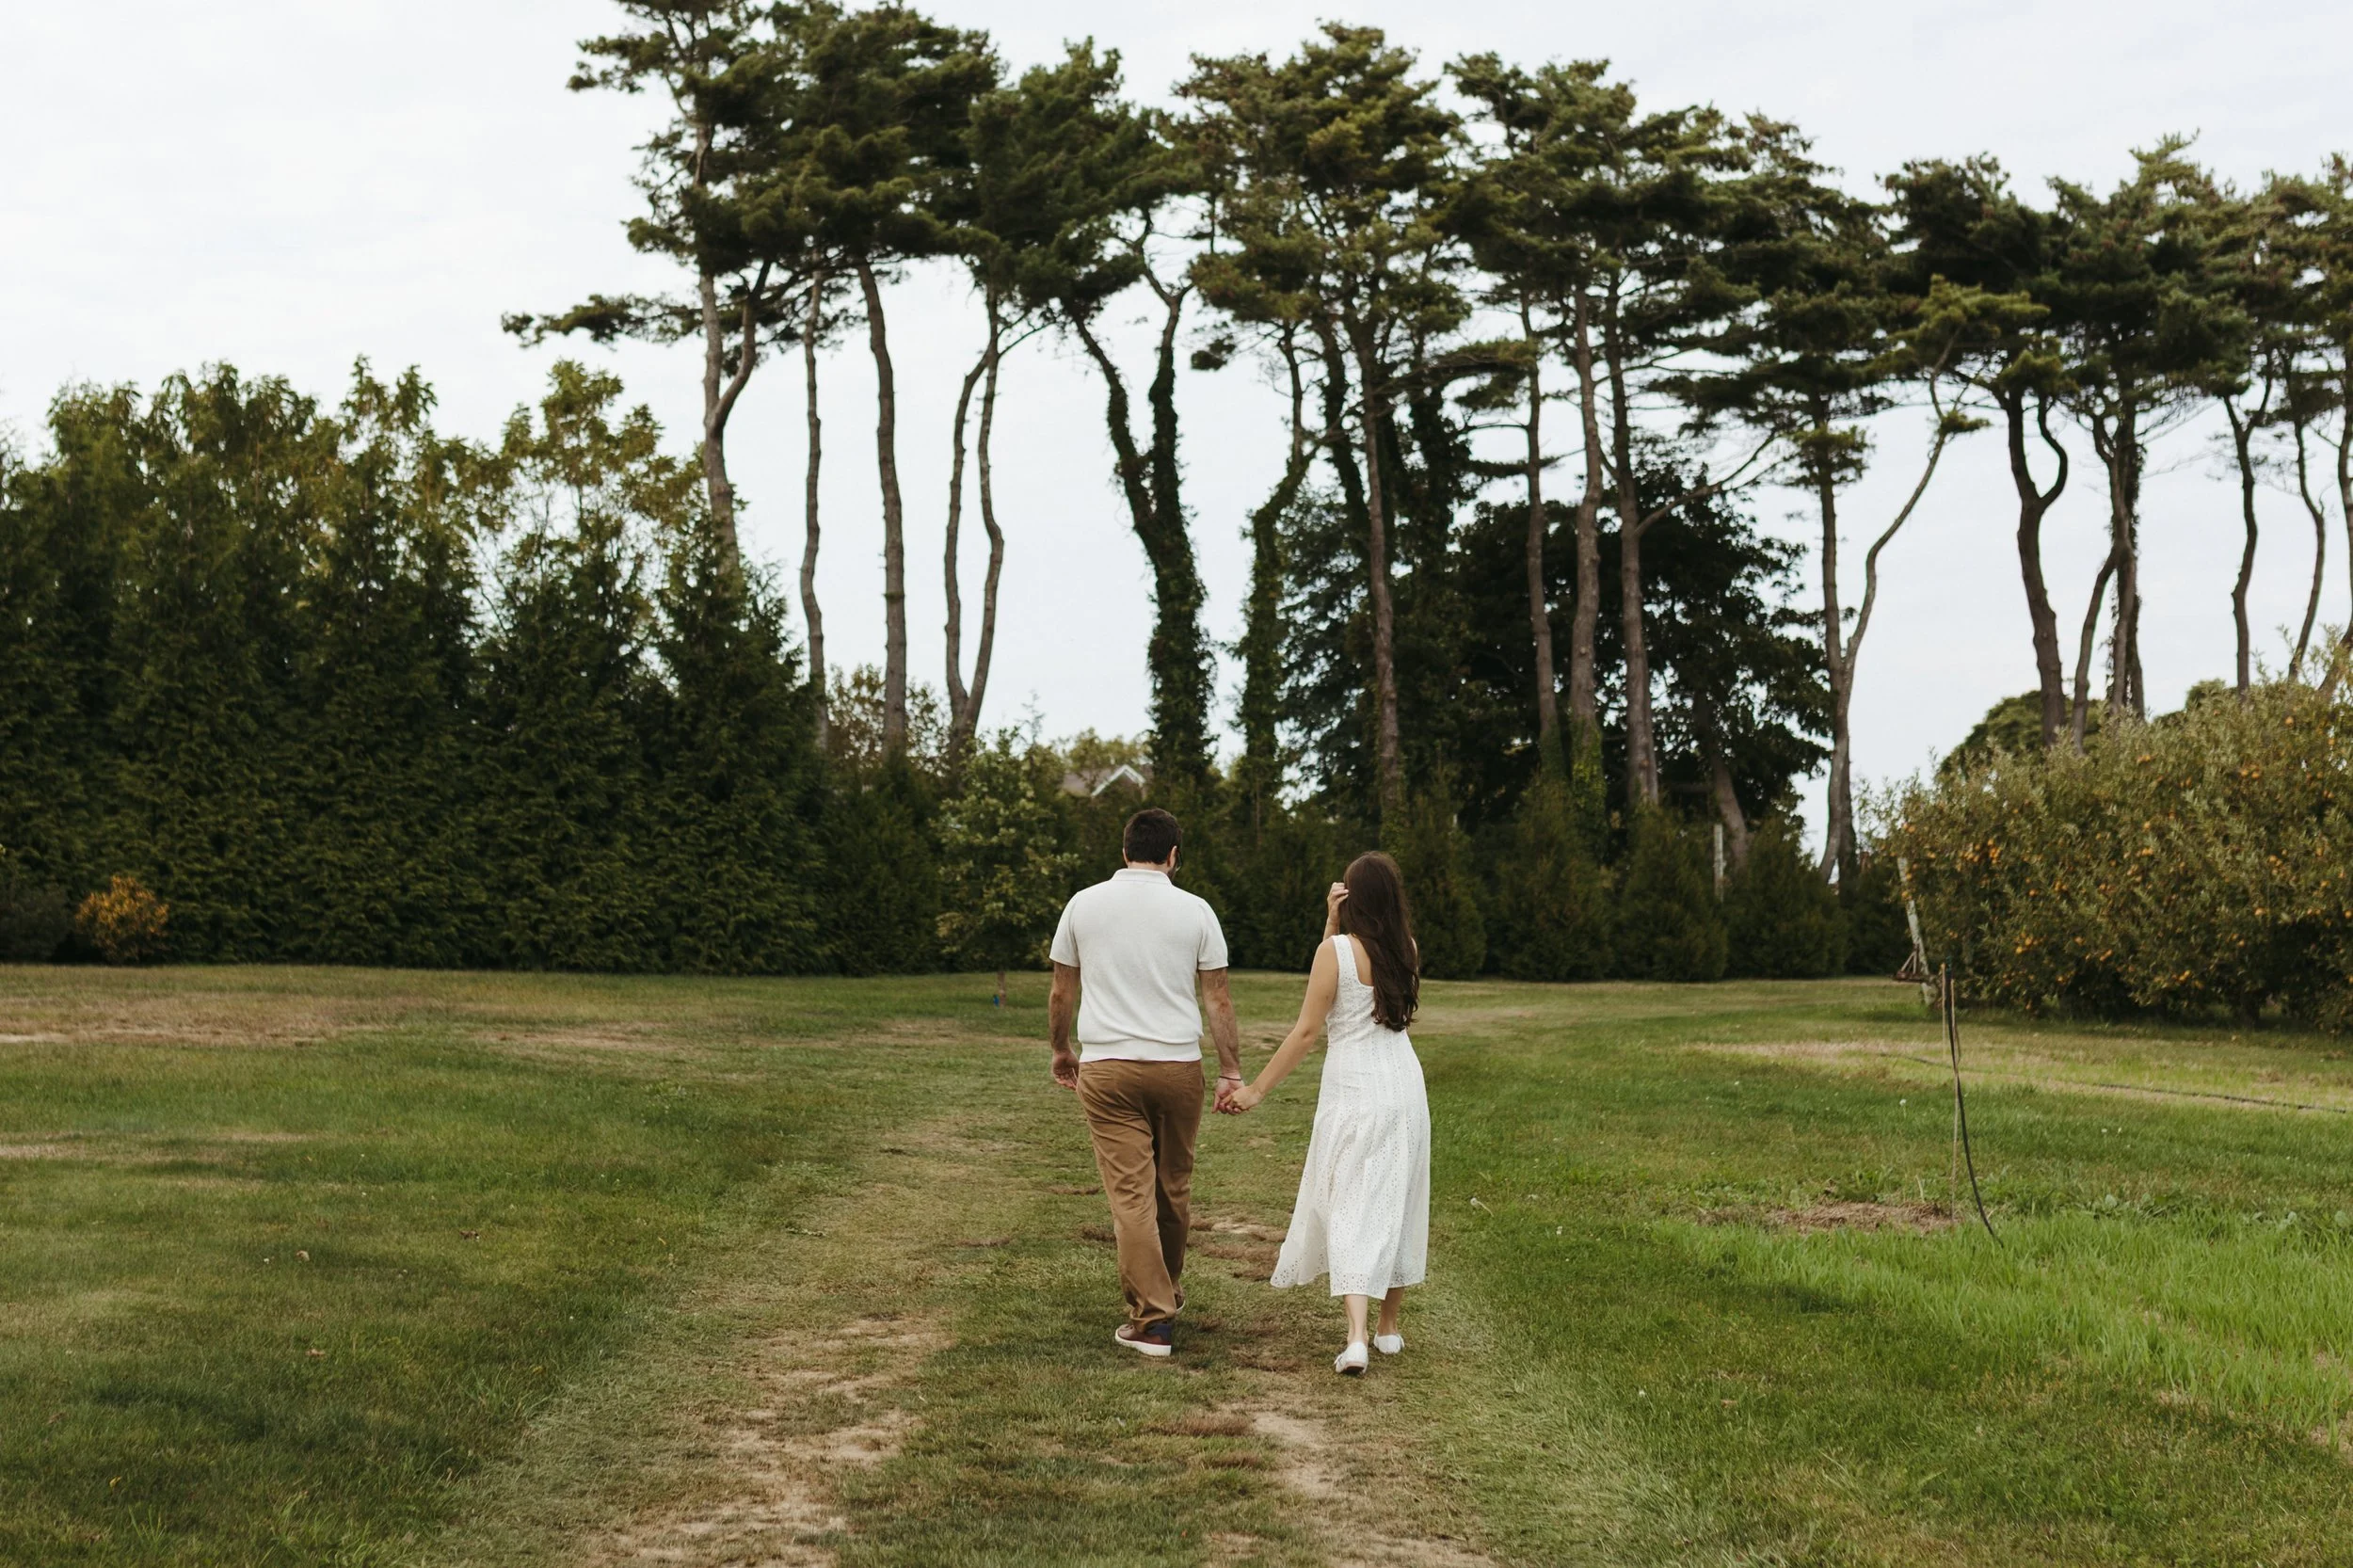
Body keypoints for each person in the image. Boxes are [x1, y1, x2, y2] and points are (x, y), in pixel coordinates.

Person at [1048, 807, 1243, 1358]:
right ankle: (1166, 1293)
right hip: (1179, 1067)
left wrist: (1062, 1049)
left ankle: (1153, 1319)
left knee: (1130, 1195)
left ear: (1124, 850)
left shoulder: (1083, 905)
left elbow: (1063, 991)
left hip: (1108, 1067)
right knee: (1172, 1186)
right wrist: (1230, 1070)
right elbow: (1218, 998)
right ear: (1174, 856)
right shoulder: (1197, 911)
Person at [1225, 852, 1431, 1376]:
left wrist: (1255, 1091)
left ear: (1351, 898)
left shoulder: (1334, 950)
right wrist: (1332, 928)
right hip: (1404, 1086)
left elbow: (1308, 1031)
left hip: (1355, 1090)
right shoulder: (1407, 948)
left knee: (1350, 1202)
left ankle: (1357, 1337)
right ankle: (1388, 1327)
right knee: (1397, 1196)